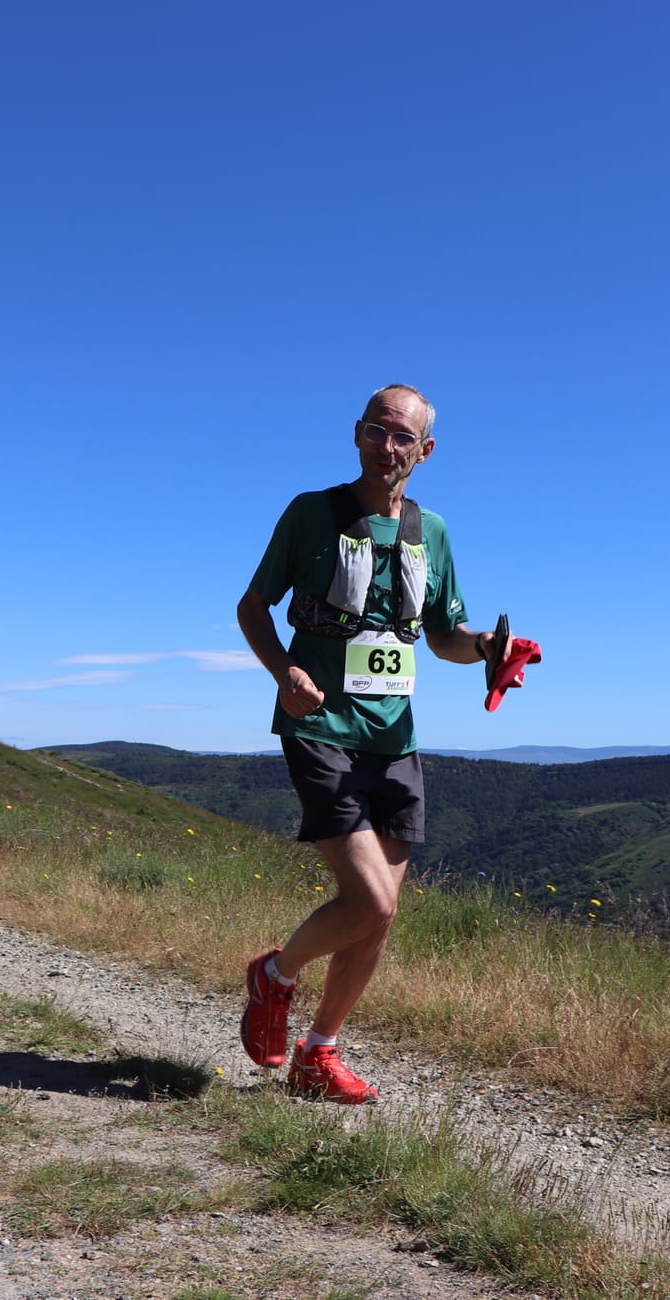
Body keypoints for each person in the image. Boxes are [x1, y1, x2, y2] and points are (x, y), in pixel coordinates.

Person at [235, 383, 510, 1103]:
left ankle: (317, 1052)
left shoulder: (433, 531)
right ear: (356, 434)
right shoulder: (313, 513)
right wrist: (283, 668)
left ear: (426, 450)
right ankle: (274, 976)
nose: (386, 449)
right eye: (374, 432)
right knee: (373, 903)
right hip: (319, 726)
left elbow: (445, 634)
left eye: (401, 438)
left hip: (395, 739)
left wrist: (487, 647)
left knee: (378, 914)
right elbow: (253, 605)